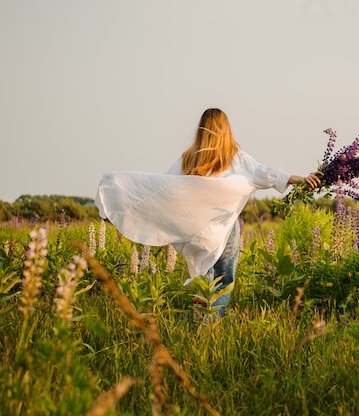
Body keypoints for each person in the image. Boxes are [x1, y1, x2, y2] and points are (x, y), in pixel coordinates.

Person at [95, 108, 321, 320]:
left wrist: (122, 203)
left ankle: (200, 322)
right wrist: (298, 179)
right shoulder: (235, 157)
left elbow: (163, 189)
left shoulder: (187, 158)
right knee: (224, 280)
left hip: (195, 232)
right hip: (222, 228)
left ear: (201, 129)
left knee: (205, 280)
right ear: (226, 130)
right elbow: (265, 173)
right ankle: (211, 327)